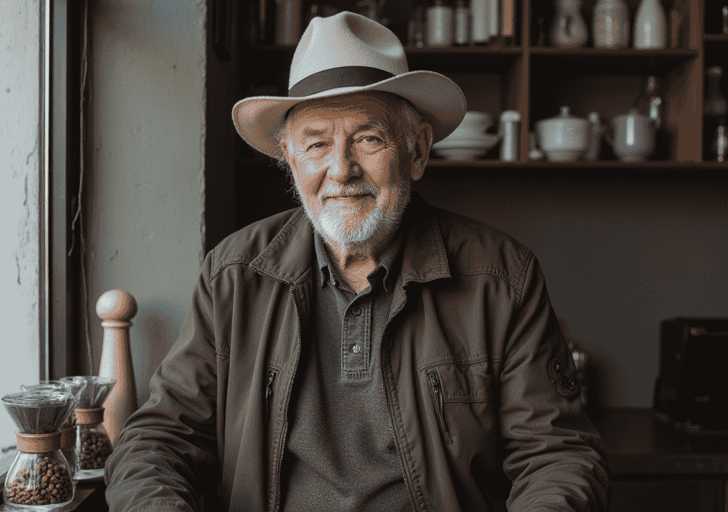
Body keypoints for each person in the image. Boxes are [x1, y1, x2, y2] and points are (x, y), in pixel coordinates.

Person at [105, 11, 609, 512]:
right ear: (289, 159)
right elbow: (158, 440)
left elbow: (557, 455)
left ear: (416, 152)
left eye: (369, 139)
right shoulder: (234, 275)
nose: (341, 170)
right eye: (317, 144)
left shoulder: (500, 278)